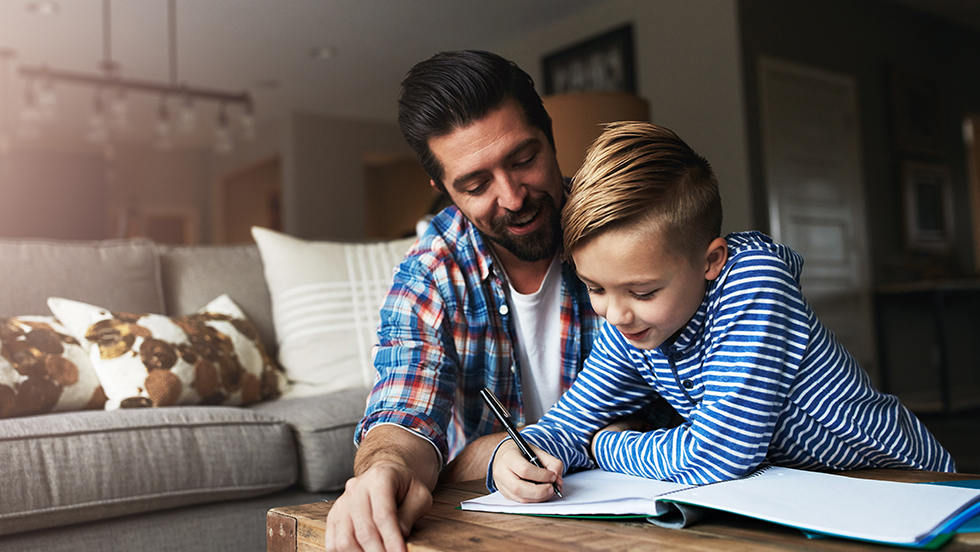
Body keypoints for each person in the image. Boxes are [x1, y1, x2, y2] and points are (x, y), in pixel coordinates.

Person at [490, 121, 955, 503]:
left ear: (711, 262)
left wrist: (606, 444)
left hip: (902, 481)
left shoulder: (754, 283)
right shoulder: (630, 325)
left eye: (644, 291)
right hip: (808, 496)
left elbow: (716, 458)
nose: (616, 314)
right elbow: (572, 420)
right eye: (594, 288)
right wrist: (523, 453)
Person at [324, 50, 630, 552]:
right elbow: (404, 417)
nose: (512, 197)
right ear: (444, 189)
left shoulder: (626, 229)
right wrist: (386, 470)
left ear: (550, 136)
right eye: (475, 184)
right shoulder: (429, 275)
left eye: (524, 159)